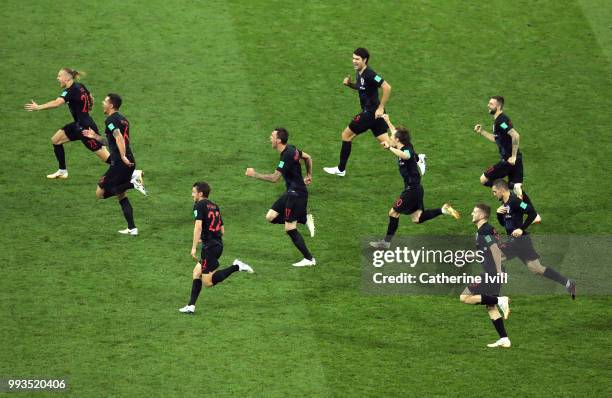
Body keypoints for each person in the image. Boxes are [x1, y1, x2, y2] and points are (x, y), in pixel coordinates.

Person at [369, 115, 460, 249]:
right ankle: (443, 210)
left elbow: (406, 156)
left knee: (393, 213)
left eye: (392, 137)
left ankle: (386, 243)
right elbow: (395, 133)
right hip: (417, 189)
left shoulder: (407, 150)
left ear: (398, 140)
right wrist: (387, 120)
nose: (390, 138)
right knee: (417, 218)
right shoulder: (403, 144)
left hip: (411, 190)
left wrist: (389, 148)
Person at [491, 179, 576, 298]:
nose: (494, 194)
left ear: (501, 190)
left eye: (494, 192)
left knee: (493, 256)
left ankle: (493, 296)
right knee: (537, 269)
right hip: (521, 242)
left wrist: (521, 228)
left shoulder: (516, 201)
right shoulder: (504, 205)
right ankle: (568, 283)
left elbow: (532, 212)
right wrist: (498, 214)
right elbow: (503, 224)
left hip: (519, 241)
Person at [179, 182, 254, 315]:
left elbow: (198, 227)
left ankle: (236, 266)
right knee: (196, 273)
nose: (192, 195)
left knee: (208, 282)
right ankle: (191, 305)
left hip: (210, 248)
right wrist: (207, 236)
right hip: (216, 244)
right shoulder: (215, 206)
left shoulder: (199, 205)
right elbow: (222, 230)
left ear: (200, 193)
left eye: (193, 192)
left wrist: (194, 247)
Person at [245, 128, 316, 267]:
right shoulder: (291, 148)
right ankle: (303, 217)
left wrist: (254, 174)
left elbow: (274, 178)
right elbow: (308, 157)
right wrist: (309, 175)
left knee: (289, 228)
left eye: (272, 136)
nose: (269, 138)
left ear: (278, 140)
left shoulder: (286, 155)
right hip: (292, 191)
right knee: (270, 217)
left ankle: (309, 259)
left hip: (296, 194)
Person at [24, 68, 110, 179]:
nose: (57, 78)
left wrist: (38, 107)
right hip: (79, 124)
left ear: (67, 77)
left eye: (59, 76)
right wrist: (89, 107)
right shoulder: (80, 86)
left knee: (104, 155)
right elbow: (90, 98)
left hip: (85, 128)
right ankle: (62, 171)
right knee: (56, 140)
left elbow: (56, 103)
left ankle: (131, 171)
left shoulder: (70, 91)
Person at [82, 94, 146, 235]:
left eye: (105, 101)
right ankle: (132, 228)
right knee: (120, 194)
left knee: (100, 193)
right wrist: (95, 137)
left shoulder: (110, 120)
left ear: (111, 105)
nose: (103, 103)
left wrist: (122, 156)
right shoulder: (123, 119)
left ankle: (133, 182)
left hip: (120, 163)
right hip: (129, 161)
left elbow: (118, 138)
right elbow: (111, 141)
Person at [323, 48, 392, 177]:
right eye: (353, 58)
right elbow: (362, 87)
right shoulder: (359, 72)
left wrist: (381, 107)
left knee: (346, 135)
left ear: (364, 60)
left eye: (357, 59)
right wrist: (350, 84)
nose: (354, 61)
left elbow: (387, 87)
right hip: (375, 115)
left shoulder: (370, 74)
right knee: (389, 143)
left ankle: (341, 169)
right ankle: (416, 158)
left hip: (371, 113)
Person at [460, 203, 511, 348]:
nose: (472, 214)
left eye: (474, 212)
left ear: (482, 215)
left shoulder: (485, 231)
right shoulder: (484, 230)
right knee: (490, 307)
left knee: (464, 297)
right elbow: (490, 251)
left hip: (493, 273)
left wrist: (498, 271)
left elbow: (495, 250)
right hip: (494, 271)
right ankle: (504, 339)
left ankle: (501, 300)